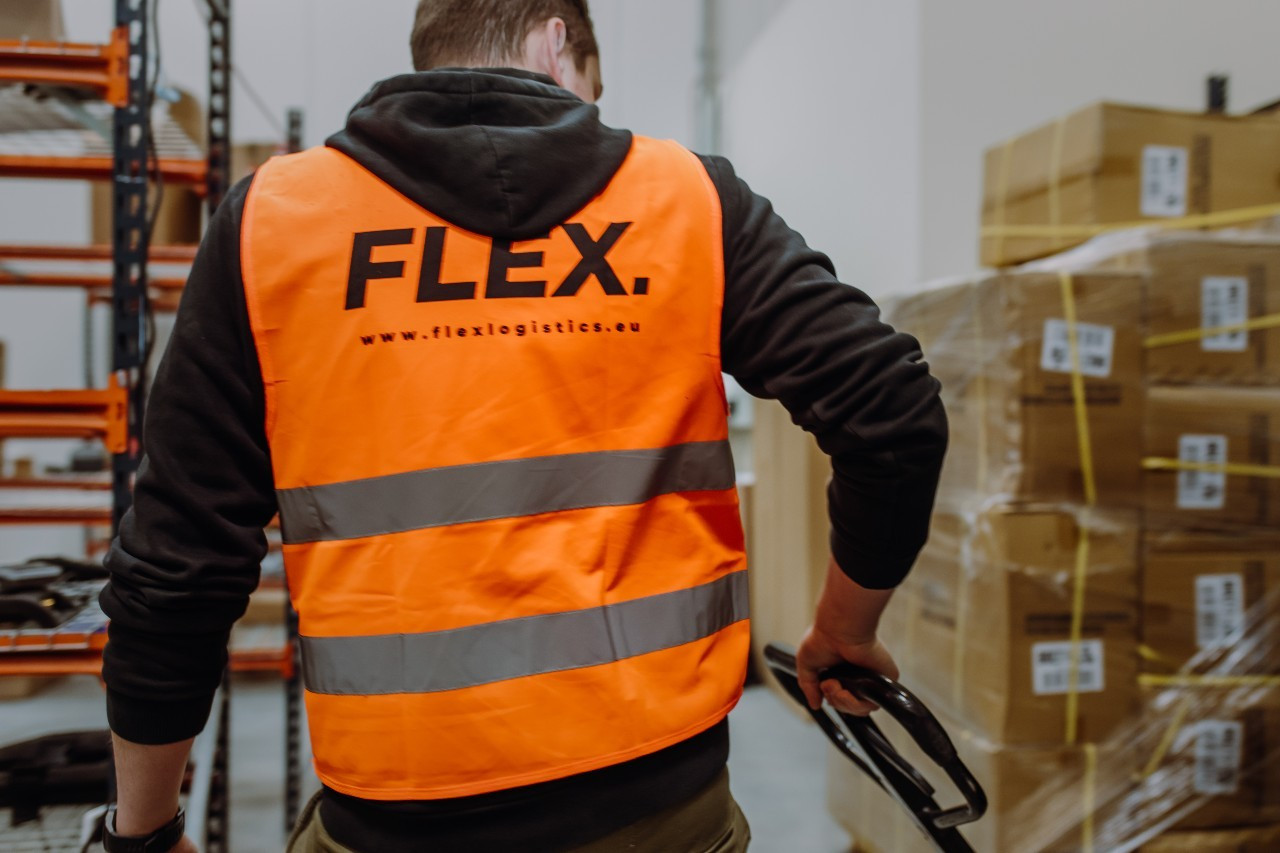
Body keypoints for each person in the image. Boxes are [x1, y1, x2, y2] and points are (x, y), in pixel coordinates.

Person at [98, 1, 947, 851]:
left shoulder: (271, 225)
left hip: (397, 823)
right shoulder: (684, 199)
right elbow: (893, 412)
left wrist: (143, 827)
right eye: (595, 86)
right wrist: (845, 629)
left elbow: (178, 561)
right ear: (555, 40)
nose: (596, 113)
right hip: (662, 814)